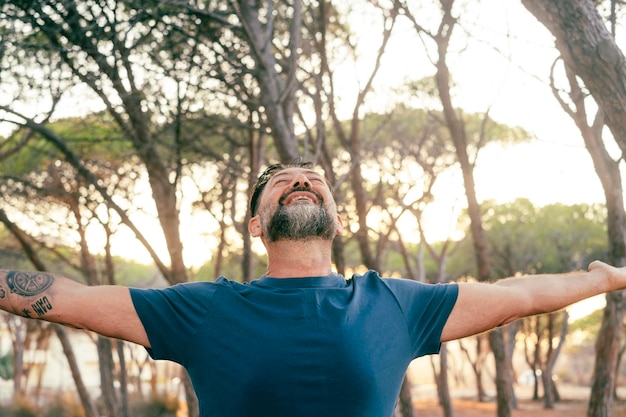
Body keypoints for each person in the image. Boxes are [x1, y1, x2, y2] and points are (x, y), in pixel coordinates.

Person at [0, 160, 625, 417]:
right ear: (254, 225)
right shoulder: (200, 310)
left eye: (313, 180)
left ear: (336, 215)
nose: (300, 181)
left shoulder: (398, 305)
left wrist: (605, 278)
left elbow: (521, 295)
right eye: (281, 181)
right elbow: (66, 296)